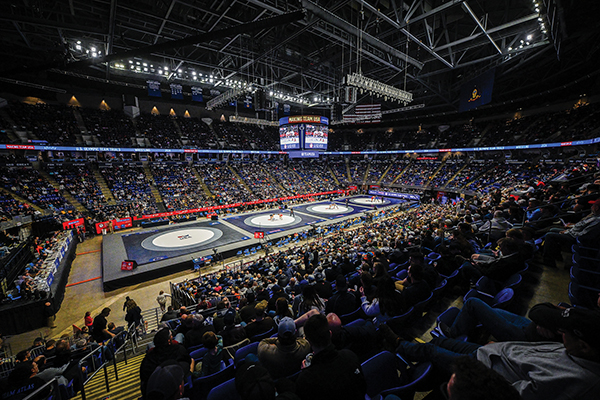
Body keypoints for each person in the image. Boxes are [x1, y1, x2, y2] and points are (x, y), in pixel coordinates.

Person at [389, 305, 600, 400]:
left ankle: (396, 343)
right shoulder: (575, 353)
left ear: (584, 346)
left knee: (429, 348)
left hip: (485, 367)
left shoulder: (577, 379)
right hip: (493, 352)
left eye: (566, 333)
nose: (561, 335)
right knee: (443, 341)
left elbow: (509, 393)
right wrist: (501, 347)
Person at [295, 314, 367, 400]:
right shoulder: (350, 356)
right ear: (330, 334)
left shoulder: (305, 379)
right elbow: (363, 389)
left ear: (309, 341)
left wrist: (306, 372)